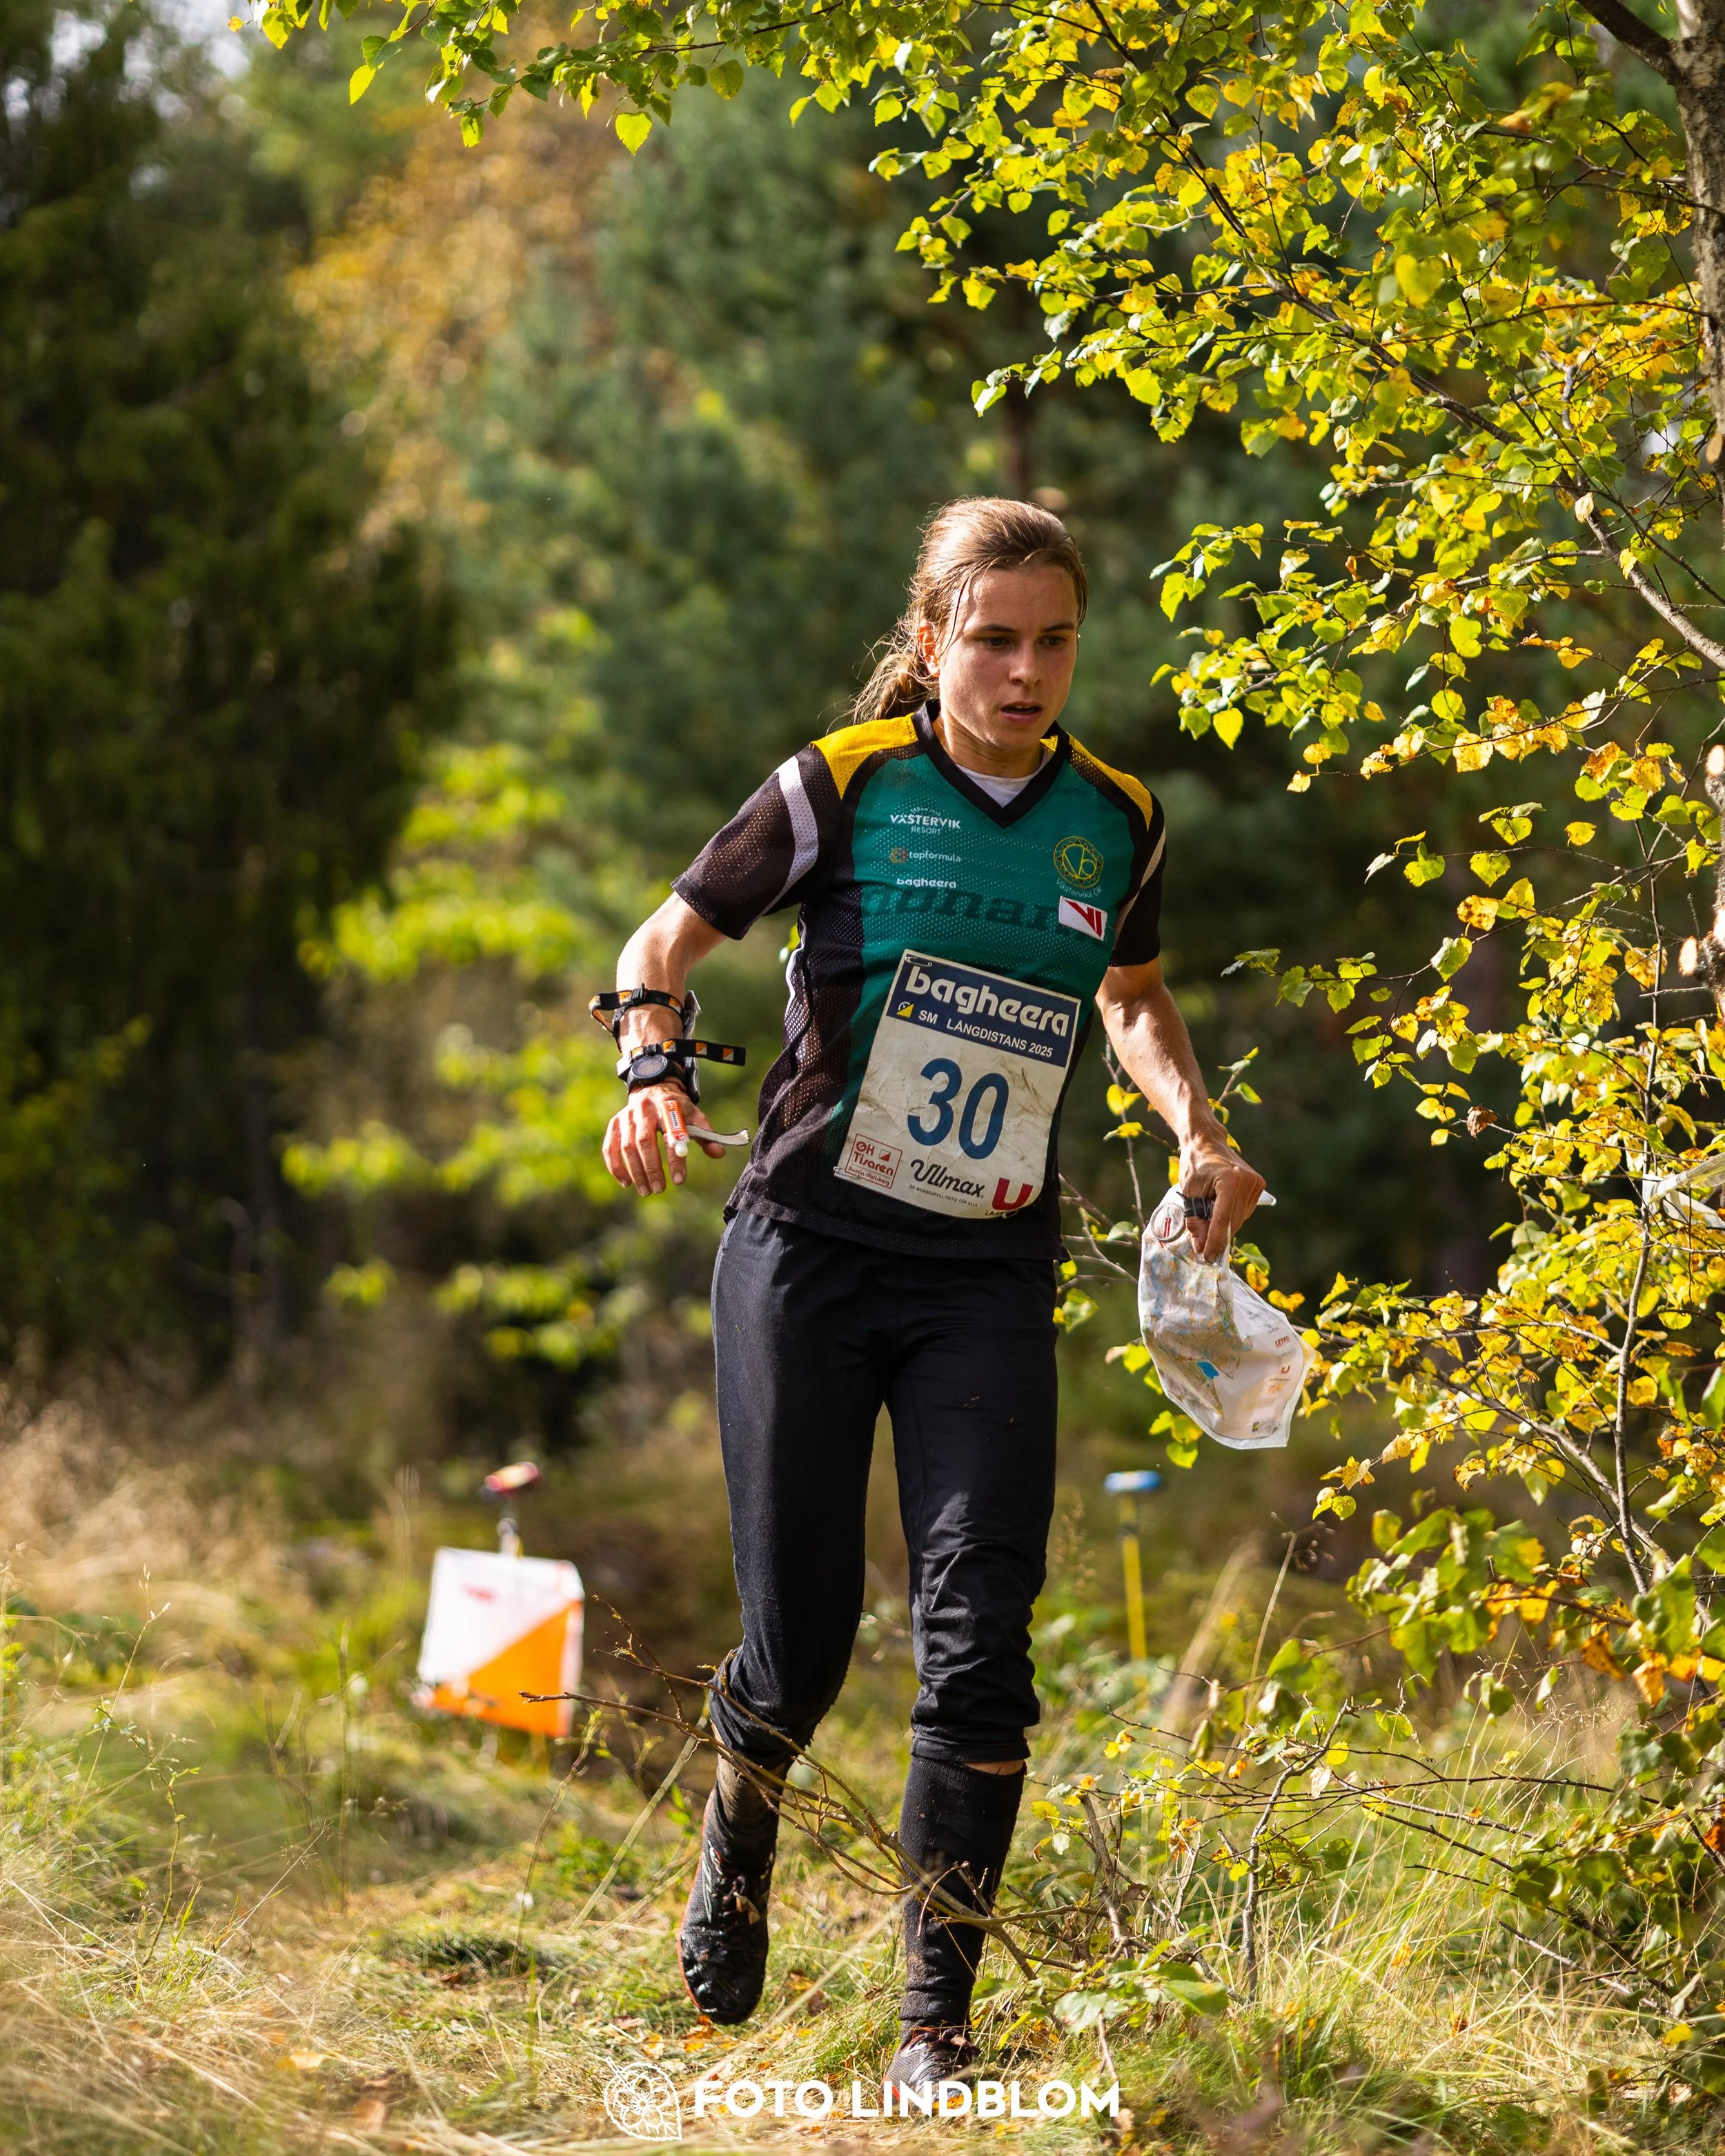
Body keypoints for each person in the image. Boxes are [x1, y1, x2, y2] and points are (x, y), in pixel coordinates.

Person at [598, 497, 1263, 2095]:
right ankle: (741, 1811)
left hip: (983, 1266)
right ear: (931, 641)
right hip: (805, 1254)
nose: (1024, 671)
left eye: (1052, 640)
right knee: (802, 1641)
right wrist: (646, 1067)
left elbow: (1134, 996)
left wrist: (1198, 1126)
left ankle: (930, 2025)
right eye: (992, 639)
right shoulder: (837, 786)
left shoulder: (1115, 818)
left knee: (979, 1643)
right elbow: (663, 941)